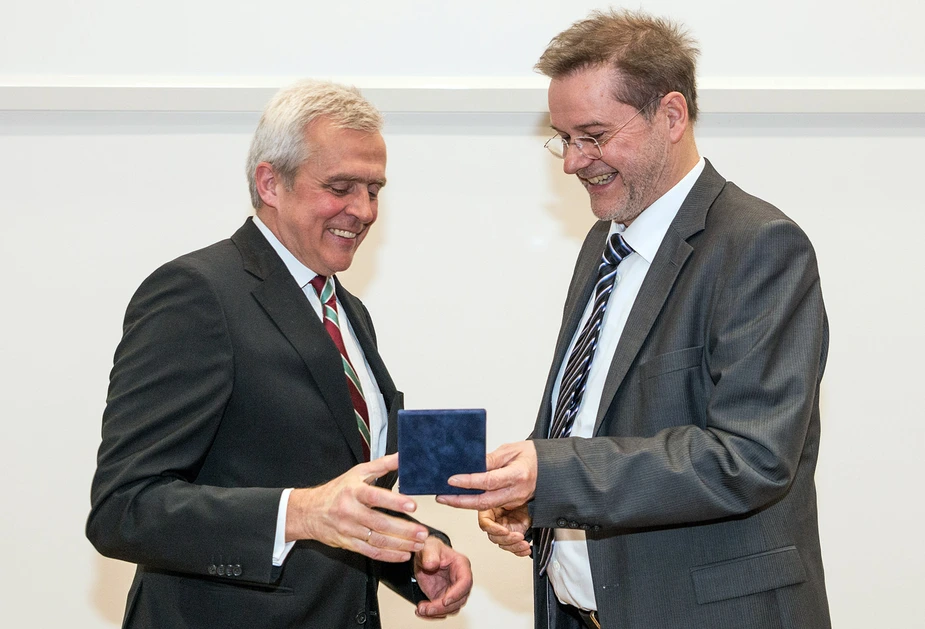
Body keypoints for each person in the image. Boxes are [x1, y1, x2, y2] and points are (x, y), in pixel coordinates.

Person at [439, 10, 830, 629]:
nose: (572, 161)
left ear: (671, 117)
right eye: (564, 137)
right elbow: (598, 419)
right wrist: (532, 501)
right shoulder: (602, 244)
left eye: (592, 135)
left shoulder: (760, 247)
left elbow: (749, 456)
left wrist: (553, 474)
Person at [87, 80, 472, 628]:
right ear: (271, 182)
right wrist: (299, 513)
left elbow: (345, 486)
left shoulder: (347, 310)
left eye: (374, 189)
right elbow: (124, 510)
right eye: (340, 187)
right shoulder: (196, 294)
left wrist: (418, 553)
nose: (362, 210)